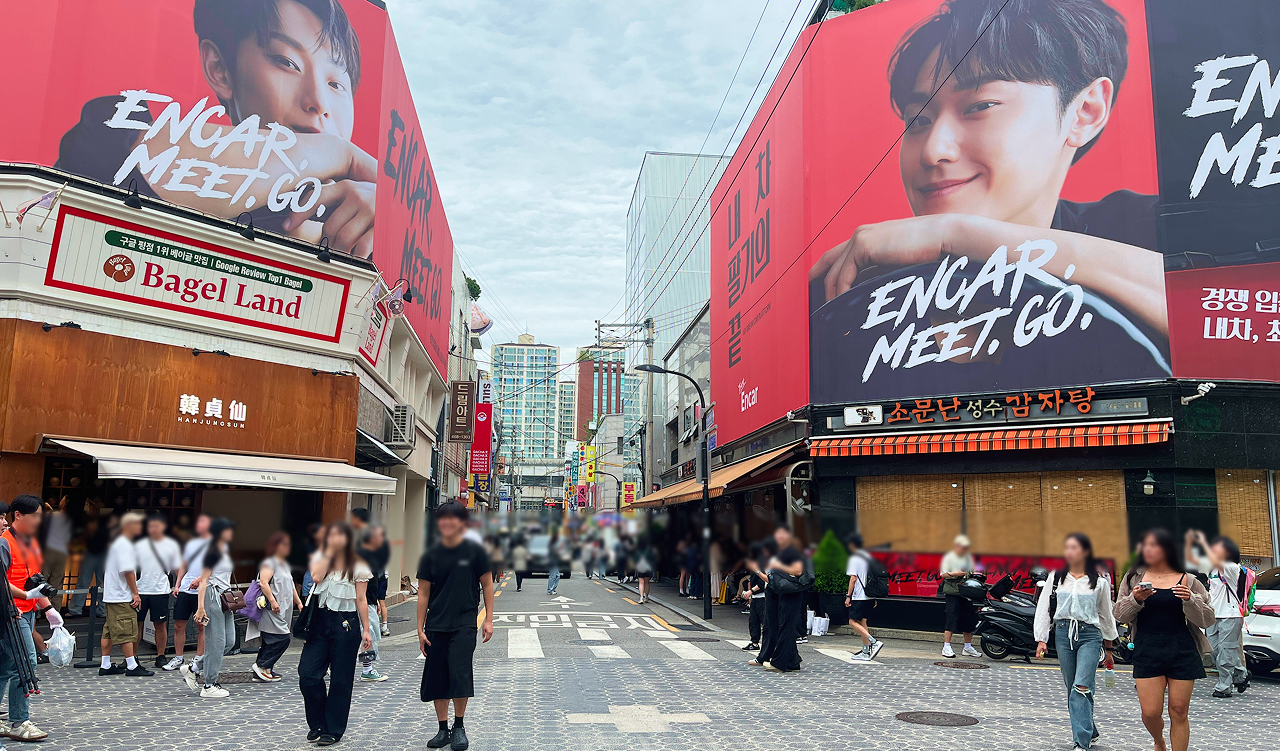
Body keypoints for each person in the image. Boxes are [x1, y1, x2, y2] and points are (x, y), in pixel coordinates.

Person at [810, 0, 1168, 344]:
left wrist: (956, 236)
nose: (934, 150)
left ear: (1084, 112)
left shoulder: (1143, 229)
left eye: (980, 106)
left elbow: (1198, 308)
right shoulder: (849, 284)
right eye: (918, 121)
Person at [55, 0, 377, 257]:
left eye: (336, 84)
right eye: (287, 62)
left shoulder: (367, 225)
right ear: (220, 68)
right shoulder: (117, 136)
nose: (319, 102)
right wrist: (341, 154)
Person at [1114, 528, 1215, 751]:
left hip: (1182, 648)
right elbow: (1119, 614)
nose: (1147, 550)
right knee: (1150, 712)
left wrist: (1191, 600)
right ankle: (1159, 741)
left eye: (1154, 545)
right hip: (1147, 647)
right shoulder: (1134, 577)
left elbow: (1208, 619)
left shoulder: (1189, 579)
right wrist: (1135, 599)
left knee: (1179, 711)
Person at [417, 501, 494, 751]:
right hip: (436, 624)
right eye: (443, 519)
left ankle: (459, 727)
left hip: (464, 623)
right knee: (438, 677)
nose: (448, 523)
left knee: (460, 674)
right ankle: (442, 729)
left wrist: (489, 619)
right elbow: (423, 594)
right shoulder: (430, 553)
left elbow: (487, 585)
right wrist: (420, 629)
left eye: (454, 519)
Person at [1034, 533, 1117, 751]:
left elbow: (1106, 615)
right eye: (1067, 548)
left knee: (1081, 686)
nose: (1069, 552)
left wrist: (1109, 649)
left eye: (1075, 548)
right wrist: (1041, 639)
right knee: (1072, 686)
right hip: (1063, 635)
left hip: (1090, 636)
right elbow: (1044, 608)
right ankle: (1090, 729)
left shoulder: (1099, 582)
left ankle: (1081, 741)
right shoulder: (1056, 578)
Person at [299, 521, 372, 745]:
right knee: (308, 673)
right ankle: (318, 723)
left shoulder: (358, 563)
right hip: (320, 622)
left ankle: (333, 729)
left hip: (346, 624)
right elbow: (316, 577)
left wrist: (366, 629)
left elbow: (361, 599)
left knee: (341, 679)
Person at [0, 499, 54, 742]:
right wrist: (25, 596)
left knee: (5, 665)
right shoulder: (5, 543)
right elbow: (1, 581)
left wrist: (49, 609)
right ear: (19, 515)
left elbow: (35, 581)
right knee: (26, 661)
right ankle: (19, 721)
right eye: (36, 516)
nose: (39, 521)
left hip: (27, 612)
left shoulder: (31, 543)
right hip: (12, 613)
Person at [1184, 530, 1249, 697]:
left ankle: (1224, 687)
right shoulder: (1213, 568)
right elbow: (1191, 559)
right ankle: (1241, 674)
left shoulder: (1232, 568)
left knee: (1226, 651)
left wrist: (1202, 541)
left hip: (1231, 615)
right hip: (1214, 615)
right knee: (1214, 650)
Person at [180, 518, 236, 698]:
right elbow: (205, 580)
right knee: (216, 643)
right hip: (213, 596)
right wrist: (200, 607)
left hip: (226, 597)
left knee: (229, 642)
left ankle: (194, 668)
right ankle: (209, 685)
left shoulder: (224, 549)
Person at [96, 511, 153, 677]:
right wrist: (135, 593)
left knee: (109, 629)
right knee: (126, 629)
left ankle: (105, 664)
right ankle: (132, 665)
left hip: (111, 595)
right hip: (121, 595)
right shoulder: (125, 545)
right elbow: (128, 571)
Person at [252, 531, 301, 683]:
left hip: (283, 608)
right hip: (272, 608)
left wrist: (299, 602)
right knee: (282, 638)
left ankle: (264, 669)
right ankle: (262, 665)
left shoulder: (284, 564)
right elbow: (263, 583)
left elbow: (291, 586)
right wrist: (273, 601)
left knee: (270, 640)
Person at [135, 514, 181, 668]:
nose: (153, 529)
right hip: (140, 590)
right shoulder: (138, 545)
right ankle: (132, 657)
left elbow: (177, 568)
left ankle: (160, 655)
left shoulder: (170, 545)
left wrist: (180, 584)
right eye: (151, 526)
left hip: (160, 590)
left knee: (160, 624)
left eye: (157, 526)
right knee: (136, 624)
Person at [168, 513, 212, 672]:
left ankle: (198, 659)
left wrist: (199, 579)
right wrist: (177, 584)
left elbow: (214, 569)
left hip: (203, 590)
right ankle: (178, 657)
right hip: (186, 589)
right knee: (178, 625)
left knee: (202, 626)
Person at [754, 535, 805, 672]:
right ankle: (793, 661)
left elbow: (798, 571)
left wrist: (778, 567)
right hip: (780, 593)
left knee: (786, 628)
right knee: (780, 627)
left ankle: (779, 663)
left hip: (791, 592)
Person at [356, 525, 389, 683]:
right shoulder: (362, 556)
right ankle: (367, 669)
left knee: (368, 634)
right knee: (368, 635)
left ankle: (367, 668)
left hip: (369, 600)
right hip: (363, 602)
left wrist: (376, 600)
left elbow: (373, 582)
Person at [843, 533, 884, 661]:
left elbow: (853, 579)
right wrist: (875, 597)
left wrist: (848, 596)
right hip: (870, 595)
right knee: (863, 622)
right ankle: (865, 651)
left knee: (852, 621)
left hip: (859, 596)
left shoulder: (855, 558)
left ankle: (874, 642)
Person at [940, 534, 980, 658]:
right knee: (951, 617)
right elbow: (942, 574)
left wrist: (976, 573)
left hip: (967, 592)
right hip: (953, 593)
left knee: (968, 619)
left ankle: (967, 647)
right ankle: (946, 646)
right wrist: (955, 573)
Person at [69, 512, 109, 617]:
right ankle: (76, 610)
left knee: (101, 584)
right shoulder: (87, 522)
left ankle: (100, 610)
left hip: (100, 553)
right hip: (91, 552)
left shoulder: (106, 521)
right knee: (86, 582)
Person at [40, 497, 72, 608]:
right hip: (62, 551)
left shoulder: (53, 516)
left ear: (65, 503)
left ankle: (38, 610)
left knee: (42, 581)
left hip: (48, 550)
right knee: (57, 583)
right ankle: (55, 610)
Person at [740, 543, 768, 652]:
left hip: (762, 597)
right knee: (754, 621)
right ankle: (754, 642)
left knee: (763, 621)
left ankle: (766, 644)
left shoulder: (761, 565)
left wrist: (750, 592)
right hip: (756, 597)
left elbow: (762, 583)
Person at [301, 522, 326, 598]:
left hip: (323, 579)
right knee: (309, 600)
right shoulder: (309, 545)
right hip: (311, 576)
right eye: (322, 532)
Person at [633, 537, 654, 604]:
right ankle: (646, 597)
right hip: (648, 567)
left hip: (640, 566)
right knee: (647, 582)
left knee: (641, 582)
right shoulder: (649, 549)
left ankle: (641, 597)